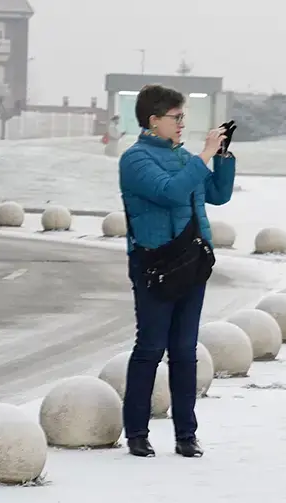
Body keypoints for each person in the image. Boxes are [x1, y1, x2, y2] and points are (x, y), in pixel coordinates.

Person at [118, 84, 236, 458]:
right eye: (176, 117)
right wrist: (202, 155)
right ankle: (136, 432)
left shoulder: (186, 158)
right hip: (155, 264)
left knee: (185, 351)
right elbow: (169, 192)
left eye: (183, 117)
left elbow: (217, 193)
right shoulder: (135, 160)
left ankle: (187, 435)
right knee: (151, 347)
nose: (182, 124)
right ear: (153, 120)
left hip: (192, 263)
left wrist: (221, 155)